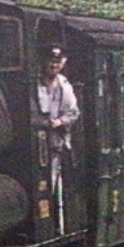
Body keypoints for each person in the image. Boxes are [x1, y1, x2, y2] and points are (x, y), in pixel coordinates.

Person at [37, 46, 80, 233]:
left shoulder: (65, 86)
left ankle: (59, 226)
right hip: (38, 140)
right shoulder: (35, 84)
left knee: (56, 186)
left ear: (62, 63)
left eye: (57, 62)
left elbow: (73, 112)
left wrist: (60, 122)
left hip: (57, 141)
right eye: (51, 61)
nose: (54, 65)